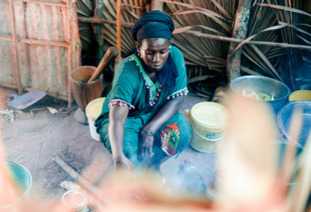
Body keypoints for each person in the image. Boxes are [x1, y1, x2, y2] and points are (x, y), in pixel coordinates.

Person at [95, 10, 191, 170]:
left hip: (156, 112)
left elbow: (177, 99)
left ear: (169, 46)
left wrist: (150, 129)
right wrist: (118, 156)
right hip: (127, 118)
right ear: (138, 47)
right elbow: (118, 118)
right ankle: (137, 177)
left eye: (162, 52)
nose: (157, 59)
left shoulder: (175, 56)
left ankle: (154, 166)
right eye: (150, 52)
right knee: (127, 151)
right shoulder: (127, 69)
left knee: (180, 133)